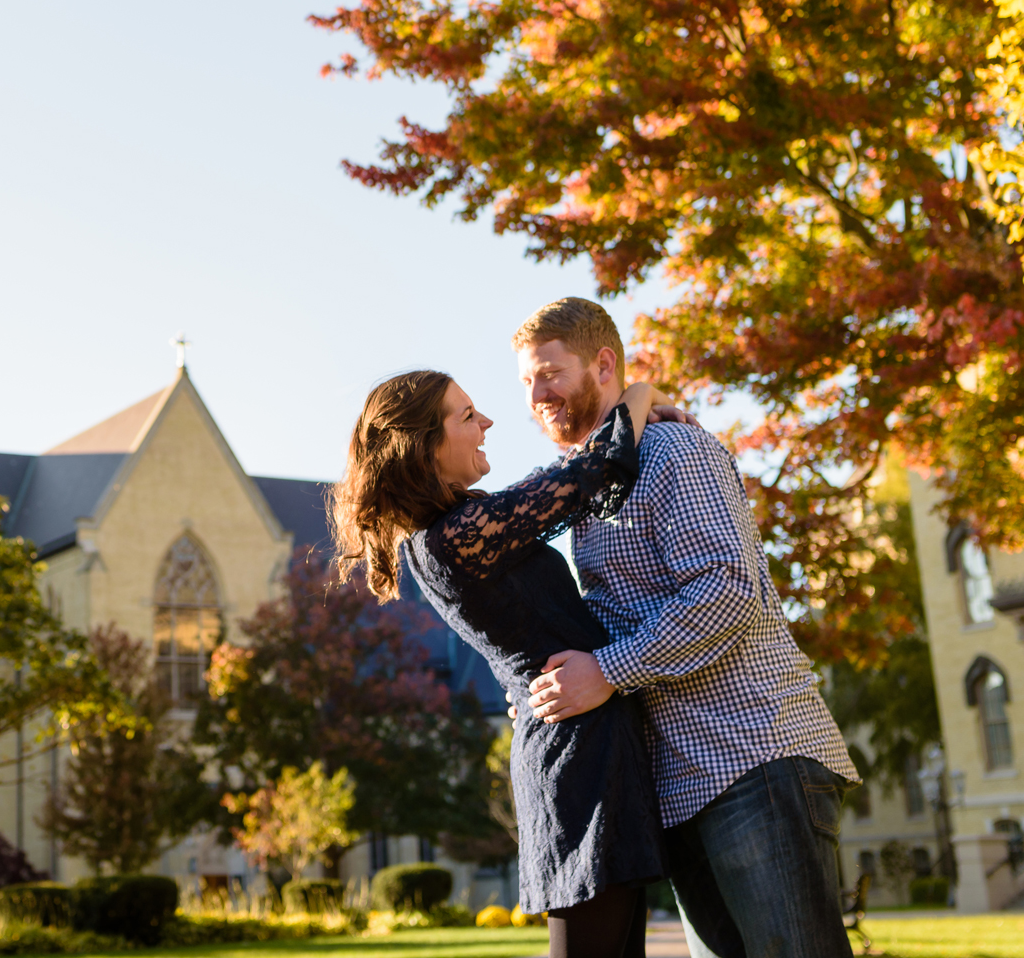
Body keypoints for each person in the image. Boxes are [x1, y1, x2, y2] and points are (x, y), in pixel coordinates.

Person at [513, 298, 859, 958]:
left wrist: (606, 672)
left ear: (604, 363)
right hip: (680, 785)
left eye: (550, 372)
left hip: (754, 757)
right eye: (526, 381)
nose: (537, 394)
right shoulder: (592, 485)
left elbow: (726, 592)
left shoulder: (673, 448)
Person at [329, 368, 683, 958]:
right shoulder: (454, 537)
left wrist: (520, 690)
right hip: (578, 759)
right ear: (425, 445)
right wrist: (641, 394)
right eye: (467, 416)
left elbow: (517, 633)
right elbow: (590, 470)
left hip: (588, 741)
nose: (488, 422)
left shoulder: (459, 532)